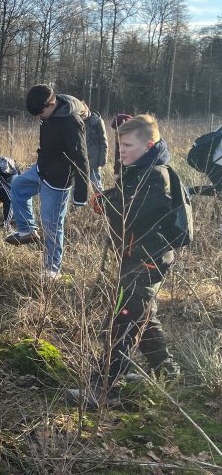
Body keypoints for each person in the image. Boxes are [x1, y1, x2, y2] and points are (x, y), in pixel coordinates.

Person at [67, 115, 180, 410]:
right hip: (137, 258)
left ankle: (103, 390)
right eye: (120, 146)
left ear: (149, 145)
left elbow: (138, 214)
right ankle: (167, 372)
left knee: (122, 322)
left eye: (128, 145)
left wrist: (108, 203)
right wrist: (108, 196)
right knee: (143, 316)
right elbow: (127, 199)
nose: (122, 151)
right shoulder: (141, 171)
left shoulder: (156, 176)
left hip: (146, 261)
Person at [5, 84, 89, 278]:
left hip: (58, 180)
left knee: (52, 225)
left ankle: (52, 269)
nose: (38, 118)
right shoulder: (49, 111)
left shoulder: (71, 122)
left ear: (52, 104)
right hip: (42, 169)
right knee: (18, 184)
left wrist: (81, 196)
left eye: (40, 113)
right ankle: (27, 231)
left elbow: (82, 159)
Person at [82, 102, 108, 192]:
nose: (82, 116)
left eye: (83, 114)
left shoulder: (97, 121)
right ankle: (77, 205)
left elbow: (103, 141)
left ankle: (100, 205)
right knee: (76, 188)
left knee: (97, 186)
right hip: (81, 160)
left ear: (87, 109)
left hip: (94, 160)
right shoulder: (77, 120)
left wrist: (103, 159)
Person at [110, 113, 133, 179]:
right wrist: (116, 172)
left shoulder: (135, 136)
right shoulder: (119, 136)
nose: (115, 132)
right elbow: (118, 154)